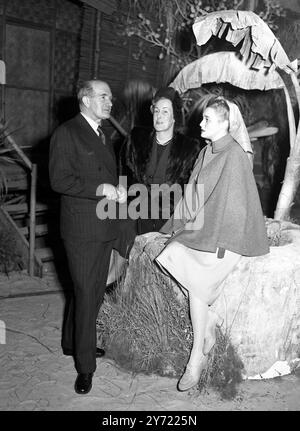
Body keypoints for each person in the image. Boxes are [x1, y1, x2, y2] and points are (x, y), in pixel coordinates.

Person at [155, 95, 269, 392]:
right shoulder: (207, 151)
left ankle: (196, 359)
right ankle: (207, 328)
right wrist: (176, 227)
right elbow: (193, 194)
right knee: (172, 253)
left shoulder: (235, 155)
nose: (200, 123)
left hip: (228, 239)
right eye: (202, 118)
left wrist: (214, 241)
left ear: (225, 124)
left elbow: (236, 210)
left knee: (198, 284)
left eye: (207, 119)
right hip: (208, 232)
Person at [49, 80, 125, 395]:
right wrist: (100, 190)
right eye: (103, 96)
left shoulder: (100, 133)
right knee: (86, 292)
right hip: (82, 230)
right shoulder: (67, 132)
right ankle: (85, 367)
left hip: (104, 225)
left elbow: (105, 173)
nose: (110, 102)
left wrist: (118, 187)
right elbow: (59, 179)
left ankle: (72, 342)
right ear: (85, 99)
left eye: (111, 96)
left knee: (90, 292)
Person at [120, 86, 202, 234]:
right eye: (156, 111)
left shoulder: (188, 148)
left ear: (174, 117)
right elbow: (122, 171)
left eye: (165, 112)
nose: (159, 116)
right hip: (136, 214)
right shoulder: (137, 139)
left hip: (169, 218)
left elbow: (192, 187)